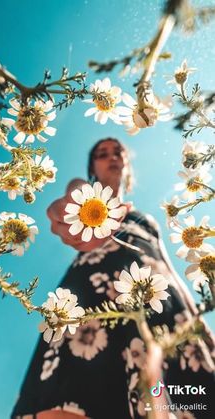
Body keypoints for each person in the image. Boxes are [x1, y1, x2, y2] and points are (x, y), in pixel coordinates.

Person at [11, 138, 215, 419]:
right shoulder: (87, 199)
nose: (112, 157)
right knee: (73, 394)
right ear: (92, 168)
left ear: (127, 164)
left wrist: (195, 319)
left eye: (117, 151)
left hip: (159, 302)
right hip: (94, 294)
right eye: (101, 154)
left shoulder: (143, 218)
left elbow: (166, 265)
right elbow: (75, 192)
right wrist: (76, 206)